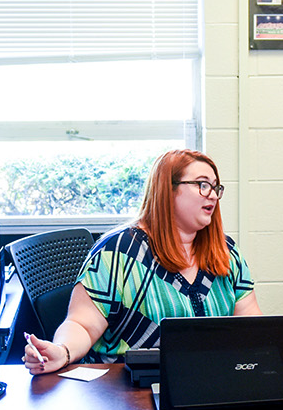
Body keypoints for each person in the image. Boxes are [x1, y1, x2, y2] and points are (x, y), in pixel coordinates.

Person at [23, 149, 261, 371]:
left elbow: (251, 325)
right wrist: (62, 352)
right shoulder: (117, 253)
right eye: (202, 185)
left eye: (215, 188)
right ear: (168, 190)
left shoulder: (226, 251)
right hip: (129, 388)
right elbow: (82, 325)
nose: (213, 195)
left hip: (210, 382)